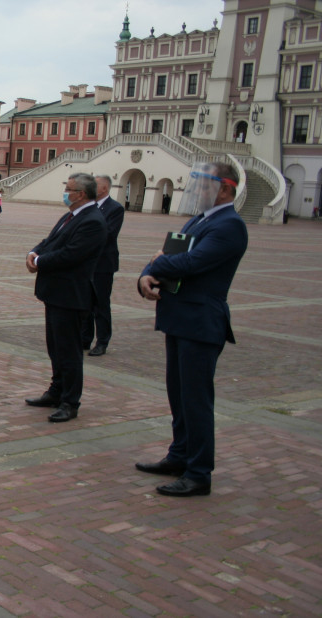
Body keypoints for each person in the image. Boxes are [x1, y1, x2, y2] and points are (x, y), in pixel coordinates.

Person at [136, 161, 248, 497]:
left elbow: (191, 263)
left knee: (196, 401)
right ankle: (180, 455)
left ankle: (199, 472)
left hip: (200, 323)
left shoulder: (230, 225)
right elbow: (171, 250)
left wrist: (156, 263)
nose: (196, 190)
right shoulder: (202, 219)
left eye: (204, 184)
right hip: (180, 319)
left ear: (225, 188)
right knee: (179, 396)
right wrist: (145, 274)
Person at [24, 173, 107, 422]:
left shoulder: (92, 221)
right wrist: (34, 252)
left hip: (71, 295)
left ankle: (70, 401)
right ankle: (56, 390)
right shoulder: (72, 215)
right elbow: (51, 241)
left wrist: (39, 261)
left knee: (69, 351)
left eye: (68, 189)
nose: (65, 192)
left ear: (81, 194)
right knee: (55, 348)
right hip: (56, 293)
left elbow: (71, 254)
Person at [82, 175, 125, 357]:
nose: (91, 187)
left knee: (101, 304)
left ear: (104, 189)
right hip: (87, 263)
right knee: (85, 303)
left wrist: (84, 238)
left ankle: (102, 341)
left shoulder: (115, 209)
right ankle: (85, 338)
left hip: (103, 264)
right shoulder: (89, 207)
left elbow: (108, 234)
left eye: (95, 185)